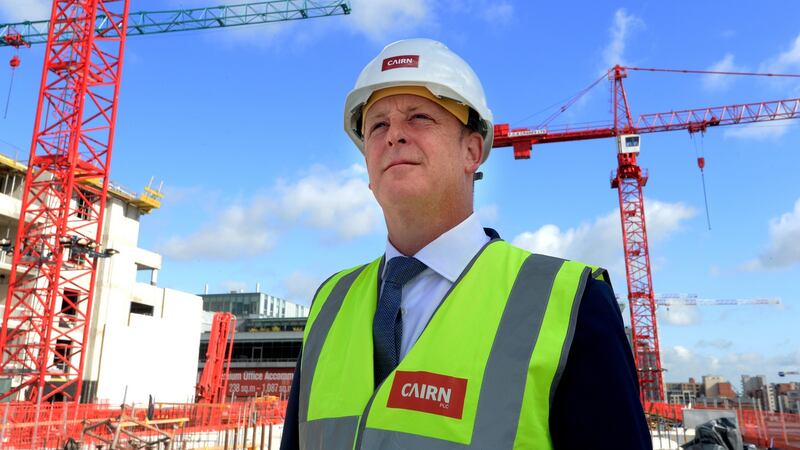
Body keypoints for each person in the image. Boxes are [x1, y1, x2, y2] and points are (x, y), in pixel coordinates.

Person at [280, 38, 652, 450]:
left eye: (419, 117)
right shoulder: (329, 304)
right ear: (367, 165)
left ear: (472, 151)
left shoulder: (570, 305)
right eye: (377, 125)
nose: (393, 136)